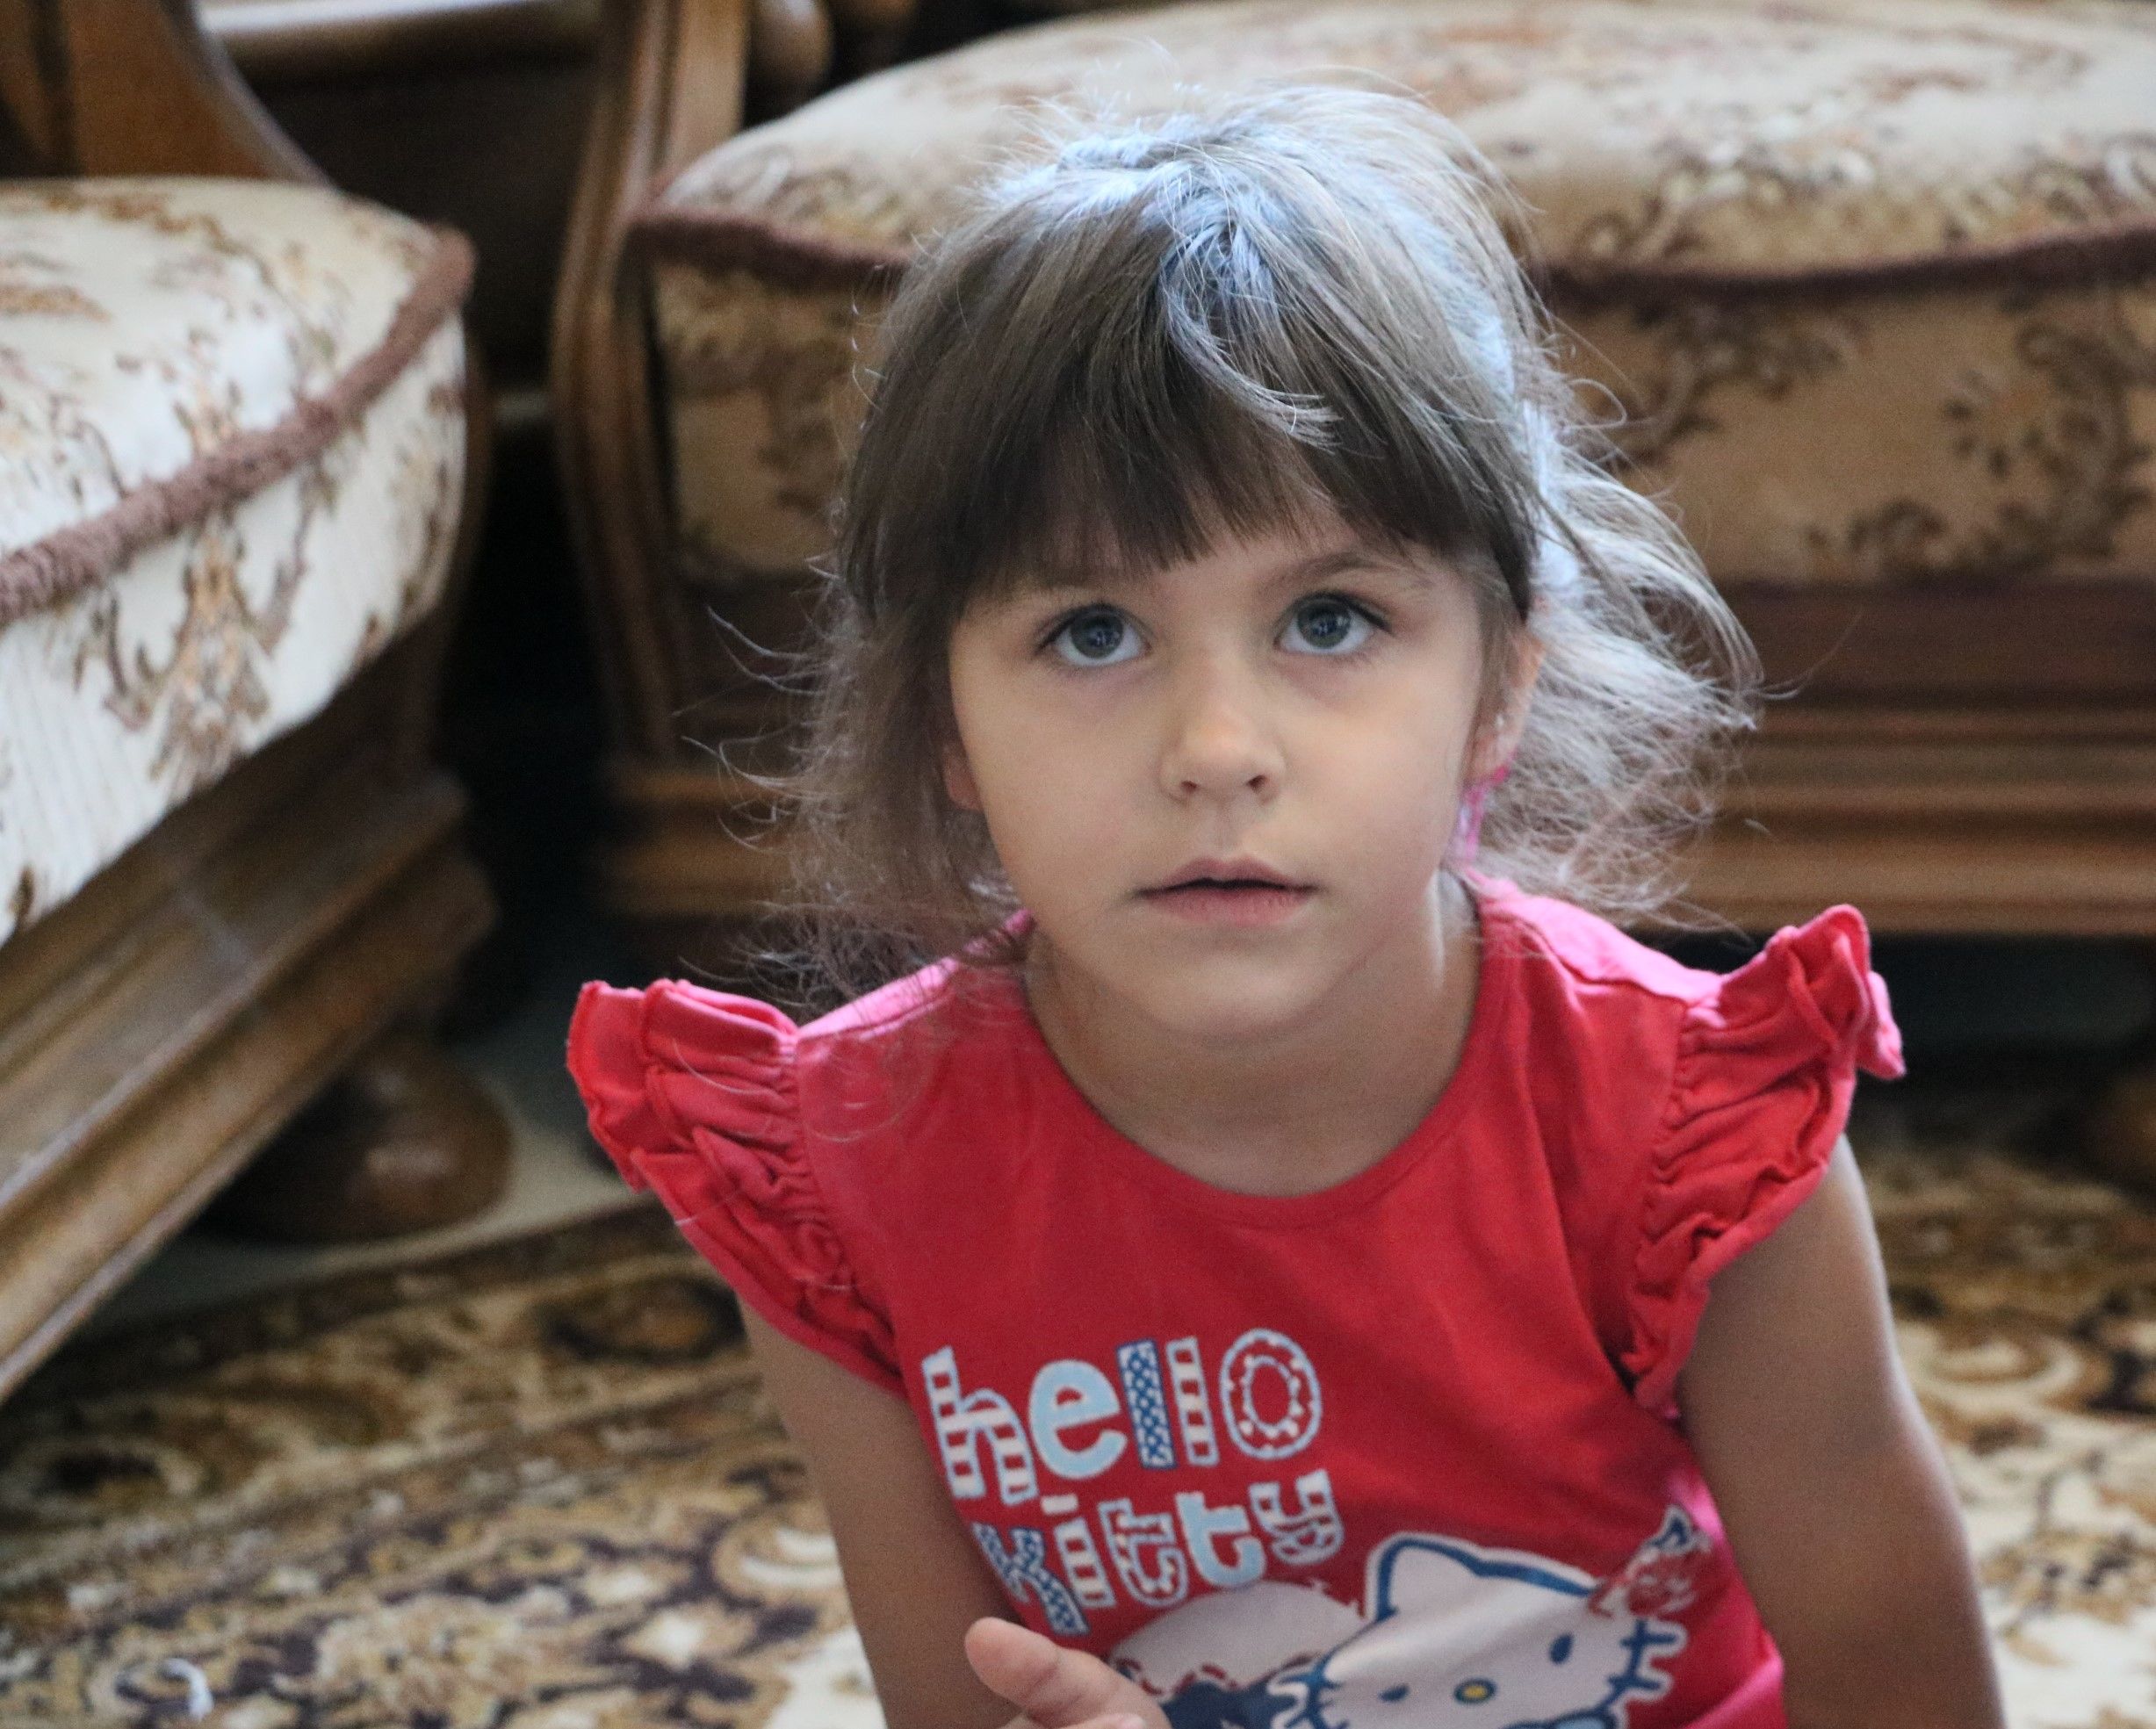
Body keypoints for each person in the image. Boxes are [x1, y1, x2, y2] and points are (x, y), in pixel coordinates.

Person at [566, 83, 2003, 1729]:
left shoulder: (1695, 1142)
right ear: (945, 721)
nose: (1217, 749)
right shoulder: (839, 1189)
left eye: (1328, 619)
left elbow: (1903, 1675)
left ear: (1496, 689)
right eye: (1093, 632)